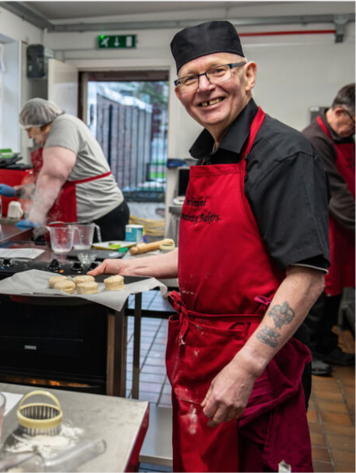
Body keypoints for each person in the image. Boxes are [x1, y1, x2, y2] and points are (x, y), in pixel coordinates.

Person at [90, 20, 330, 472]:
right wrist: (127, 268)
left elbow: (307, 276)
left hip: (253, 362)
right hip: (199, 351)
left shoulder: (284, 155)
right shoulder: (209, 155)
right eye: (189, 79)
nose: (205, 87)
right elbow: (213, 255)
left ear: (248, 75)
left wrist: (245, 367)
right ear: (178, 92)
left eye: (218, 70)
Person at [0, 98, 130, 241]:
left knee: (98, 263)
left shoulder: (64, 125)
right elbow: (51, 188)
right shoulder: (64, 127)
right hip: (93, 217)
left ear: (40, 123)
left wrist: (36, 216)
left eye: (29, 129)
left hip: (101, 217)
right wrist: (15, 191)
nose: (29, 136)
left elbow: (52, 177)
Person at [301, 84, 355, 374]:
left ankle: (326, 345)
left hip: (343, 230)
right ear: (338, 112)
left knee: (335, 294)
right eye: (354, 124)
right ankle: (307, 354)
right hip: (323, 228)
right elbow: (338, 195)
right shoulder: (316, 140)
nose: (353, 132)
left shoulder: (343, 137)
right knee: (318, 293)